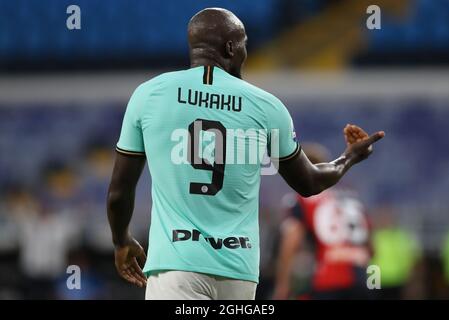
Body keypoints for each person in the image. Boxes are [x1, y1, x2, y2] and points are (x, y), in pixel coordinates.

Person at [106, 7, 385, 300]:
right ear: (230, 47)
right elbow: (310, 183)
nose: (245, 53)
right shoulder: (267, 106)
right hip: (238, 272)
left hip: (176, 266)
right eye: (244, 44)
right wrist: (350, 157)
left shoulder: (149, 95)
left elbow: (118, 192)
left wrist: (121, 240)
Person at [273, 144, 373, 300]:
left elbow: (290, 244)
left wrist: (282, 286)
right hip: (363, 278)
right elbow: (371, 247)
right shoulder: (352, 199)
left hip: (329, 280)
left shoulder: (302, 200)